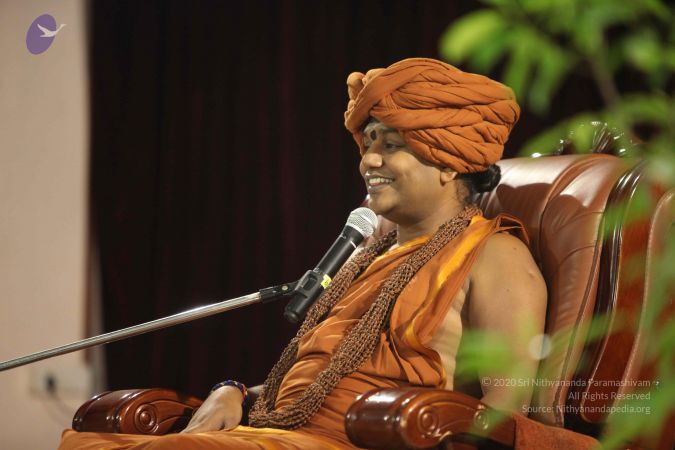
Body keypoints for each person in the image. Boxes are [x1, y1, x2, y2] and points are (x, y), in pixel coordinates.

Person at [58, 58, 549, 450]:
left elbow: (504, 417)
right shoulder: (368, 256)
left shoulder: (495, 256)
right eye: (368, 141)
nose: (369, 160)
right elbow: (314, 388)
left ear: (449, 163)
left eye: (392, 144)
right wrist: (232, 390)